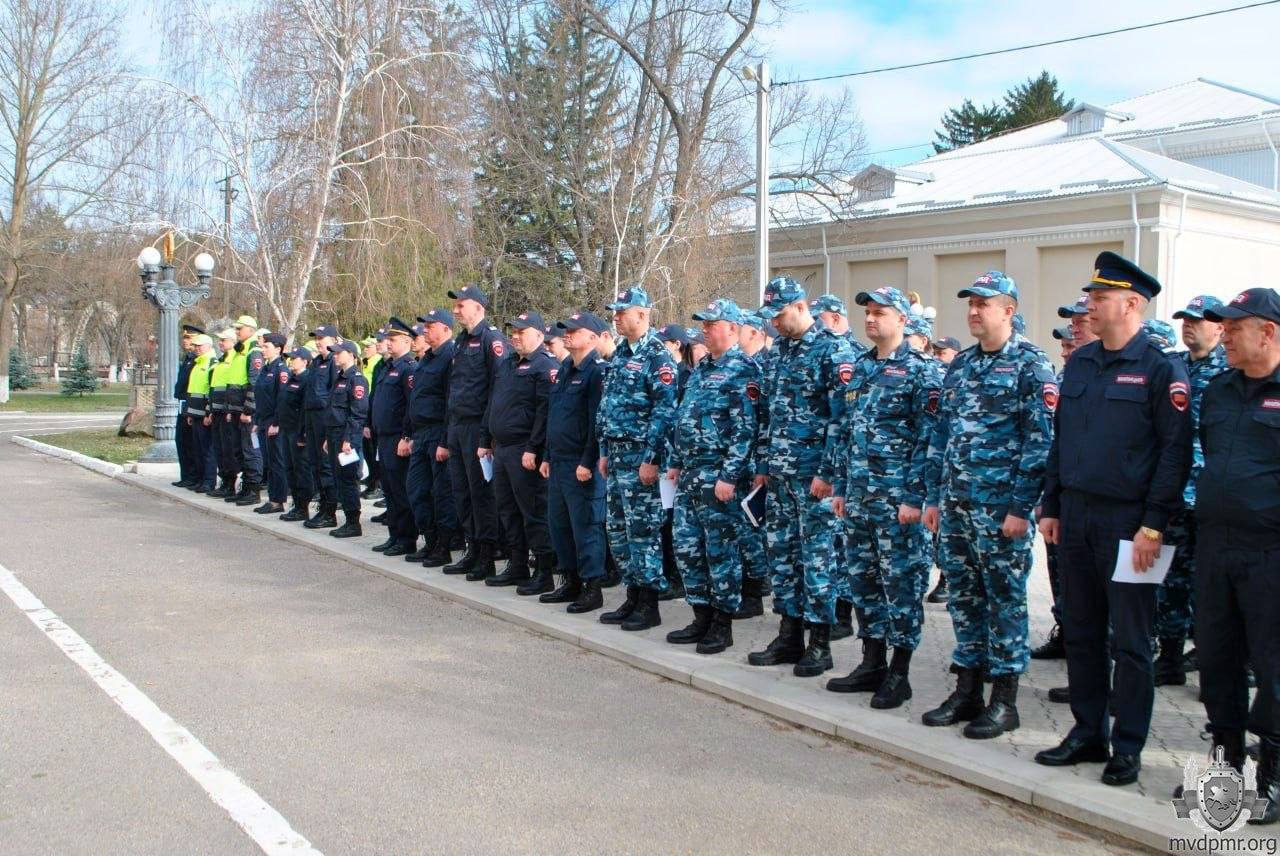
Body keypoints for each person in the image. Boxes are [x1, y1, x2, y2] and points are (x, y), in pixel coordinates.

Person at [1036, 252, 1192, 787]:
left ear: (1132, 303)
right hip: (1076, 517)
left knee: (1130, 640)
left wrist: (1153, 526)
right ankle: (1086, 731)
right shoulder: (1080, 362)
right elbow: (1063, 442)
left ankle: (1128, 746)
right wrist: (1051, 504)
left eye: (1098, 299)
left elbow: (1175, 455)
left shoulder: (1160, 368)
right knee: (1080, 630)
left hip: (1132, 525)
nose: (1089, 306)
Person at [917, 271, 1055, 738]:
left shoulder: (1031, 366)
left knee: (1005, 601)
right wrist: (934, 497)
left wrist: (1020, 508)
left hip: (1001, 512)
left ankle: (1005, 699)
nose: (974, 311)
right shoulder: (962, 365)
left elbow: (1040, 444)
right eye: (970, 303)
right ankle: (967, 689)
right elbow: (943, 434)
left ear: (1009, 311)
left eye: (984, 303)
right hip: (957, 505)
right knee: (964, 598)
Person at [825, 287, 940, 708]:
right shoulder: (859, 368)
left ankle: (900, 671)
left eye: (880, 313)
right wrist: (840, 487)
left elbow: (929, 442)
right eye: (868, 313)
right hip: (858, 499)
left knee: (902, 585)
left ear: (903, 320)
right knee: (864, 582)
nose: (871, 319)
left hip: (898, 505)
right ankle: (871, 661)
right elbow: (845, 431)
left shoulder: (923, 372)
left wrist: (915, 497)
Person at [1192, 287, 1280, 825]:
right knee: (1217, 658)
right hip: (1216, 547)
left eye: (1234, 328)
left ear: (1267, 332)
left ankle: (1272, 768)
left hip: (1271, 551)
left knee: (1274, 665)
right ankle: (1225, 763)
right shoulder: (1220, 390)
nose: (1223, 335)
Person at [747, 276, 855, 677]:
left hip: (814, 478)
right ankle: (789, 634)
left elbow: (842, 420)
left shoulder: (832, 350)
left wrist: (828, 473)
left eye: (780, 315)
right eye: (771, 317)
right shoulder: (776, 355)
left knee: (818, 559)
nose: (775, 323)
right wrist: (763, 465)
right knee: (784, 557)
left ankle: (820, 643)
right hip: (779, 476)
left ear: (801, 307)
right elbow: (767, 416)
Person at [664, 299, 760, 655]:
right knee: (688, 550)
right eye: (702, 324)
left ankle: (722, 623)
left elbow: (745, 429)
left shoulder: (743, 369)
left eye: (711, 324)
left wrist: (730, 476)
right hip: (690, 476)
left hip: (719, 478)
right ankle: (700, 615)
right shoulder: (702, 368)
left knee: (721, 553)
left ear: (732, 328)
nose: (704, 330)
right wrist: (674, 460)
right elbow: (683, 418)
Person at [1154, 295, 1229, 685]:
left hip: (1214, 499)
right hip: (1176, 493)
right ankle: (1168, 659)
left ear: (1219, 327)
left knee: (1213, 588)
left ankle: (1218, 667)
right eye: (1185, 319)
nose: (1189, 326)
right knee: (1171, 580)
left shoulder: (1231, 370)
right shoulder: (1175, 367)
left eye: (1198, 321)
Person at [597, 285, 679, 630]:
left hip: (639, 457)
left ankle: (649, 602)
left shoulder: (657, 357)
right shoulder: (619, 354)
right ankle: (632, 595)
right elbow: (608, 405)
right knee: (617, 529)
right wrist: (603, 450)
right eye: (614, 312)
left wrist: (651, 458)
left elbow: (665, 412)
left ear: (642, 314)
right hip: (615, 455)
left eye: (622, 311)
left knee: (643, 529)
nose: (616, 317)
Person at [539, 312, 610, 612]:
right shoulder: (566, 367)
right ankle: (570, 581)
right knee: (560, 525)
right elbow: (554, 416)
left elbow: (597, 421)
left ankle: (592, 587)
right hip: (558, 461)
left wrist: (588, 460)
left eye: (575, 330)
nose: (567, 334)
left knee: (586, 526)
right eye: (566, 330)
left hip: (581, 464)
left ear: (593, 338)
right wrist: (546, 455)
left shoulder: (597, 372)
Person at [482, 311, 558, 586]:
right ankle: (517, 564)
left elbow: (544, 412)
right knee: (507, 509)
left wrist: (533, 447)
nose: (514, 337)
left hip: (524, 451)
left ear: (539, 335)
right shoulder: (507, 364)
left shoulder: (544, 366)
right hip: (501, 449)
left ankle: (544, 570)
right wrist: (484, 440)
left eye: (521, 332)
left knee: (533, 511)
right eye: (512, 332)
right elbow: (493, 404)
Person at [442, 285, 505, 578]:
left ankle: (487, 555)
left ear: (478, 308)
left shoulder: (491, 340)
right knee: (462, 492)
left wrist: (486, 435)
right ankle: (472, 548)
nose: (456, 310)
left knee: (481, 494)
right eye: (455, 306)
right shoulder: (461, 341)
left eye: (461, 305)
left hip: (477, 428)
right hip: (457, 426)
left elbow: (497, 390)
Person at [404, 312, 459, 568]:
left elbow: (451, 401)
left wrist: (445, 441)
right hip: (421, 434)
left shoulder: (450, 357)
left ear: (446, 329)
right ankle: (430, 539)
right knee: (417, 490)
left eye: (430, 326)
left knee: (441, 493)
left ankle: (444, 546)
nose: (425, 330)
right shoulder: (427, 358)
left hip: (438, 432)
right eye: (424, 326)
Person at [732, 311, 773, 618]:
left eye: (740, 329)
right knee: (743, 531)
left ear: (756, 333)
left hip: (755, 465)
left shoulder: (761, 366)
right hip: (740, 465)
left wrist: (762, 465)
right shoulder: (740, 367)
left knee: (752, 532)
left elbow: (762, 423)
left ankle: (755, 592)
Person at [368, 318, 417, 556]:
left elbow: (411, 405)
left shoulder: (409, 367)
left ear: (407, 341)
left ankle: (406, 538)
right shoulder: (388, 367)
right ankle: (394, 535)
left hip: (398, 437)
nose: (388, 343)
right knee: (389, 488)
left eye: (393, 339)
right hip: (383, 436)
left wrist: (406, 436)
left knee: (400, 490)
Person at [325, 340, 369, 538]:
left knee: (348, 479)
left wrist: (349, 439)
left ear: (351, 354)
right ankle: (348, 520)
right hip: (335, 434)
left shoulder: (356, 379)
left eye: (338, 353)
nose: (335, 356)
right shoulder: (340, 377)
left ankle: (353, 522)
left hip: (347, 436)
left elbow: (357, 412)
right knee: (338, 478)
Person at [302, 325, 340, 529]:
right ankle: (322, 506)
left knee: (326, 467)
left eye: (322, 337)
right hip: (311, 418)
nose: (318, 341)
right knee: (315, 464)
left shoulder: (334, 362)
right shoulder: (316, 362)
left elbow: (334, 394)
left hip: (325, 419)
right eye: (316, 337)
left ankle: (330, 511)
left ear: (333, 340)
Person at [228, 316, 265, 507]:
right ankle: (245, 487)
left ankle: (253, 489)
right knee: (240, 450)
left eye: (239, 328)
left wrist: (249, 410)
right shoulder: (239, 351)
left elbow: (254, 383)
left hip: (247, 411)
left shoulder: (253, 352)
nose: (237, 332)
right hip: (236, 409)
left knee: (251, 449)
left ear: (250, 330)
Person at [252, 333, 290, 515]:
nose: (263, 349)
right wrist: (257, 421)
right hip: (264, 421)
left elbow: (282, 399)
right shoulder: (266, 368)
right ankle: (272, 498)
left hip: (275, 423)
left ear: (278, 348)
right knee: (269, 461)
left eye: (266, 346)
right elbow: (261, 397)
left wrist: (276, 422)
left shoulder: (281, 369)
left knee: (277, 462)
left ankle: (278, 500)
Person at [278, 348, 316, 521]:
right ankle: (297, 503)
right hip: (286, 429)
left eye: (295, 358)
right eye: (290, 358)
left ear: (305, 361)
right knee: (290, 468)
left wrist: (302, 434)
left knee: (301, 469)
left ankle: (303, 507)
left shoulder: (307, 379)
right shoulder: (291, 379)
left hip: (298, 431)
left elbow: (304, 410)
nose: (291, 361)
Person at [183, 334, 217, 493]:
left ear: (209, 346)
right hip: (195, 413)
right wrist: (190, 413)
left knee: (207, 450)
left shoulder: (211, 363)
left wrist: (208, 413)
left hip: (204, 414)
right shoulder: (198, 363)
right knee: (197, 448)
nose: (197, 348)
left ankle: (209, 481)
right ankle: (200, 479)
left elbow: (211, 390)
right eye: (195, 346)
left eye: (200, 346)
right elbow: (193, 390)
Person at [208, 329, 239, 498]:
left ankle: (230, 483)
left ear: (233, 342)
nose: (220, 343)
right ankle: (224, 481)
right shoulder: (221, 361)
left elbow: (231, 388)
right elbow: (214, 388)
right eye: (219, 340)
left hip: (226, 411)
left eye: (224, 340)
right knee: (220, 448)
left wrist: (228, 409)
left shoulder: (234, 359)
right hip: (217, 410)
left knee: (228, 449)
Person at [173, 324, 202, 488]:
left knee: (191, 443)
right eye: (184, 337)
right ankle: (186, 475)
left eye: (188, 337)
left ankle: (193, 476)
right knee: (182, 441)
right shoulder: (188, 359)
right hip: (182, 404)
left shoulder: (198, 360)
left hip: (192, 405)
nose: (185, 341)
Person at [360, 336, 383, 499]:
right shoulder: (369, 364)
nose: (366, 349)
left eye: (369, 346)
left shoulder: (378, 362)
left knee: (376, 453)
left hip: (376, 413)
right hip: (368, 410)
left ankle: (377, 485)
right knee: (370, 452)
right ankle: (373, 481)